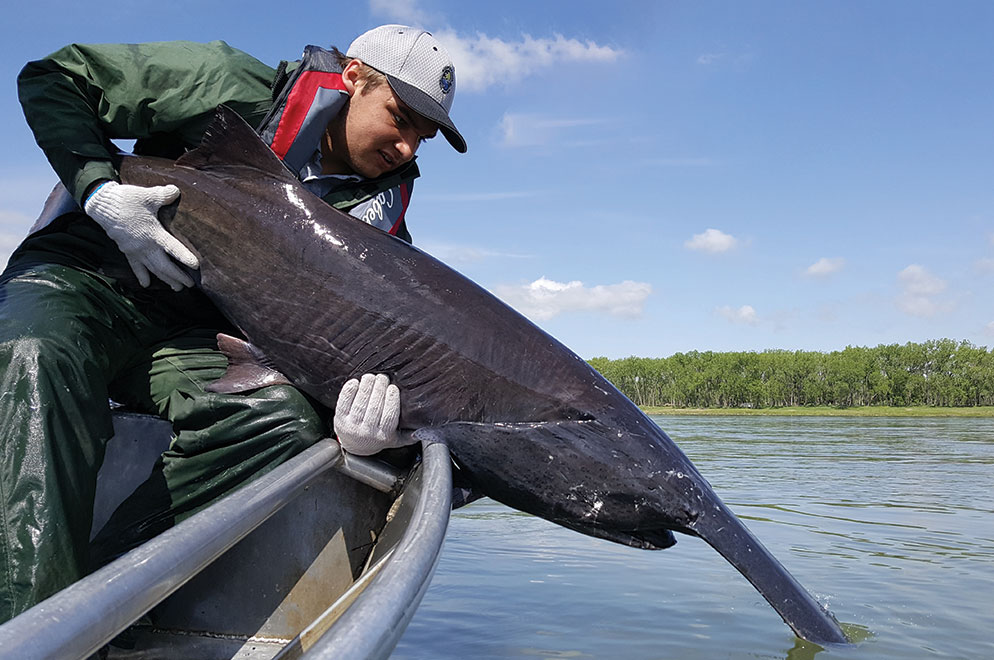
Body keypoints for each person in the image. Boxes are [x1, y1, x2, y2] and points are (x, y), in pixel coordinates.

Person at [0, 24, 466, 623]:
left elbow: (352, 345)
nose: (407, 150)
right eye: (400, 119)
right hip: (85, 281)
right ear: (352, 78)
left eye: (422, 137)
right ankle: (23, 628)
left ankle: (92, 605)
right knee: (33, 355)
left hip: (190, 335)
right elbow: (54, 77)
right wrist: (97, 190)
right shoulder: (229, 86)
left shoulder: (382, 230)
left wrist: (362, 434)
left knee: (283, 423)